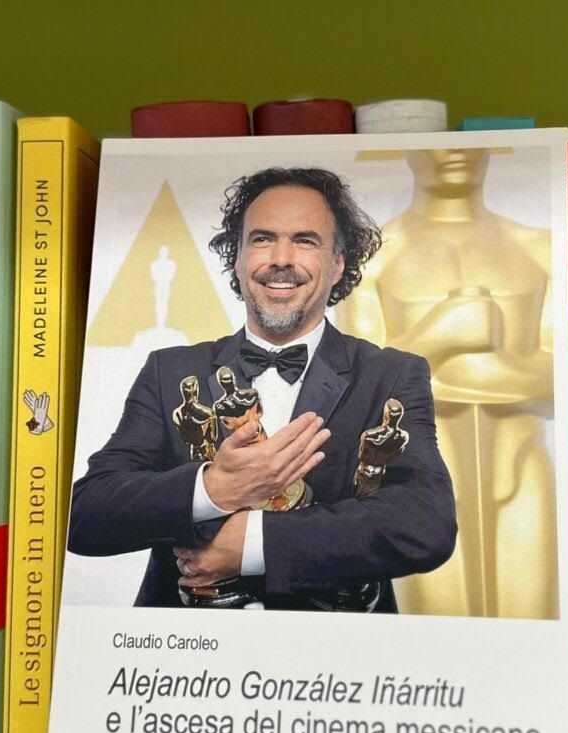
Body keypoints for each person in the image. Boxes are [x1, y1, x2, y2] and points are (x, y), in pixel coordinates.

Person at [67, 166, 457, 610]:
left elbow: (426, 524)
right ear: (237, 259)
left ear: (337, 264)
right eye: (262, 239)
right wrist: (213, 490)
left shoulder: (391, 375)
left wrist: (254, 543)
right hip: (186, 650)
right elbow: (86, 515)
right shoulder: (169, 371)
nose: (281, 259)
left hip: (337, 649)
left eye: (305, 240)